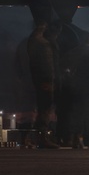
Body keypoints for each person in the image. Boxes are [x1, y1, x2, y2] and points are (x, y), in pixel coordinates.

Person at [26, 19, 60, 148]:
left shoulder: (33, 42)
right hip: (44, 80)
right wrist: (48, 80)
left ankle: (36, 137)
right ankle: (41, 137)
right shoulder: (42, 43)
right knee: (44, 110)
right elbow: (46, 65)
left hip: (40, 80)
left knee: (42, 110)